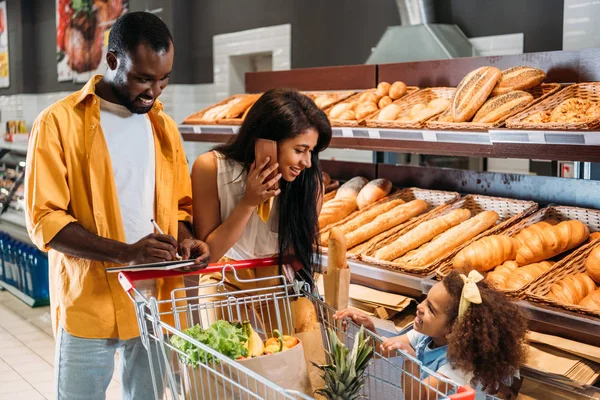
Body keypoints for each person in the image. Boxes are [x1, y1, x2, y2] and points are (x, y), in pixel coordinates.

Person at [24, 12, 209, 400]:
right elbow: (45, 219)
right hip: (89, 304)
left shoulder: (163, 127)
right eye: (143, 78)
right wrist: (126, 253)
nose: (155, 91)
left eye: (163, 79)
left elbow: (177, 206)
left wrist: (187, 238)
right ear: (112, 62)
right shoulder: (58, 124)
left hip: (153, 303)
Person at [191, 88, 332, 293]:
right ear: (267, 142)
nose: (308, 162)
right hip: (222, 273)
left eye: (311, 151)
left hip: (277, 275)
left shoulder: (309, 185)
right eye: (299, 150)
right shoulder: (210, 168)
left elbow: (297, 253)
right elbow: (209, 255)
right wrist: (248, 203)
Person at [334, 270, 527, 400]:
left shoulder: (460, 367)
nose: (419, 307)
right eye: (425, 300)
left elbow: (418, 396)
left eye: (431, 309)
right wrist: (368, 328)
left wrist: (410, 360)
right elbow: (381, 349)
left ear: (452, 330)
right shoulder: (426, 337)